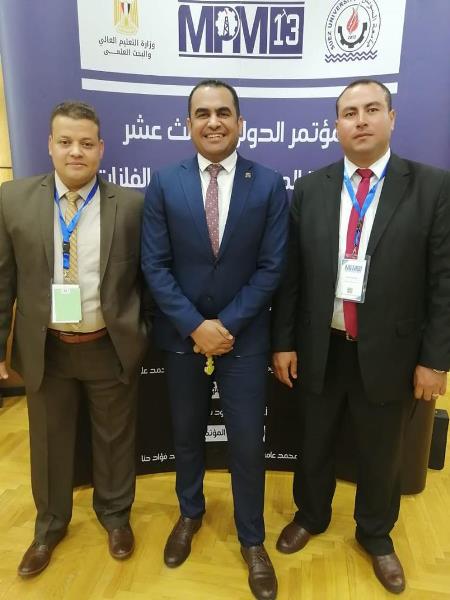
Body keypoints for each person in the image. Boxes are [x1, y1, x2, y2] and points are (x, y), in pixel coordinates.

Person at [271, 79, 450, 594]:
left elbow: (443, 281)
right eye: (350, 113)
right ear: (337, 126)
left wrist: (435, 360)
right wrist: (284, 342)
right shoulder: (312, 188)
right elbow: (292, 276)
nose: (361, 120)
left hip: (392, 352)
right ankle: (311, 515)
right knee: (314, 441)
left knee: (381, 451)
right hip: (320, 346)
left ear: (391, 118)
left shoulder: (432, 187)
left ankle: (375, 534)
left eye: (372, 109)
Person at [141, 79, 288, 600]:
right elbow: (155, 266)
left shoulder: (268, 184)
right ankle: (189, 514)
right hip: (183, 338)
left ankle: (252, 540)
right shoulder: (165, 183)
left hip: (243, 339)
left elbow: (272, 266)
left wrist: (225, 325)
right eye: (202, 113)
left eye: (223, 112)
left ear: (240, 122)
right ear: (188, 124)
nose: (213, 122)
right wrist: (195, 325)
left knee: (247, 442)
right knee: (186, 434)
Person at [0, 101, 148, 577]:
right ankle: (48, 527)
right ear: (49, 145)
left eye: (86, 143)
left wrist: (140, 335)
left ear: (101, 148)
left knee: (115, 440)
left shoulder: (131, 206)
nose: (76, 152)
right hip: (47, 349)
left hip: (109, 346)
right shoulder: (13, 200)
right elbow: (3, 281)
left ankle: (116, 517)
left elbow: (147, 281)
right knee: (49, 442)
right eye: (65, 142)